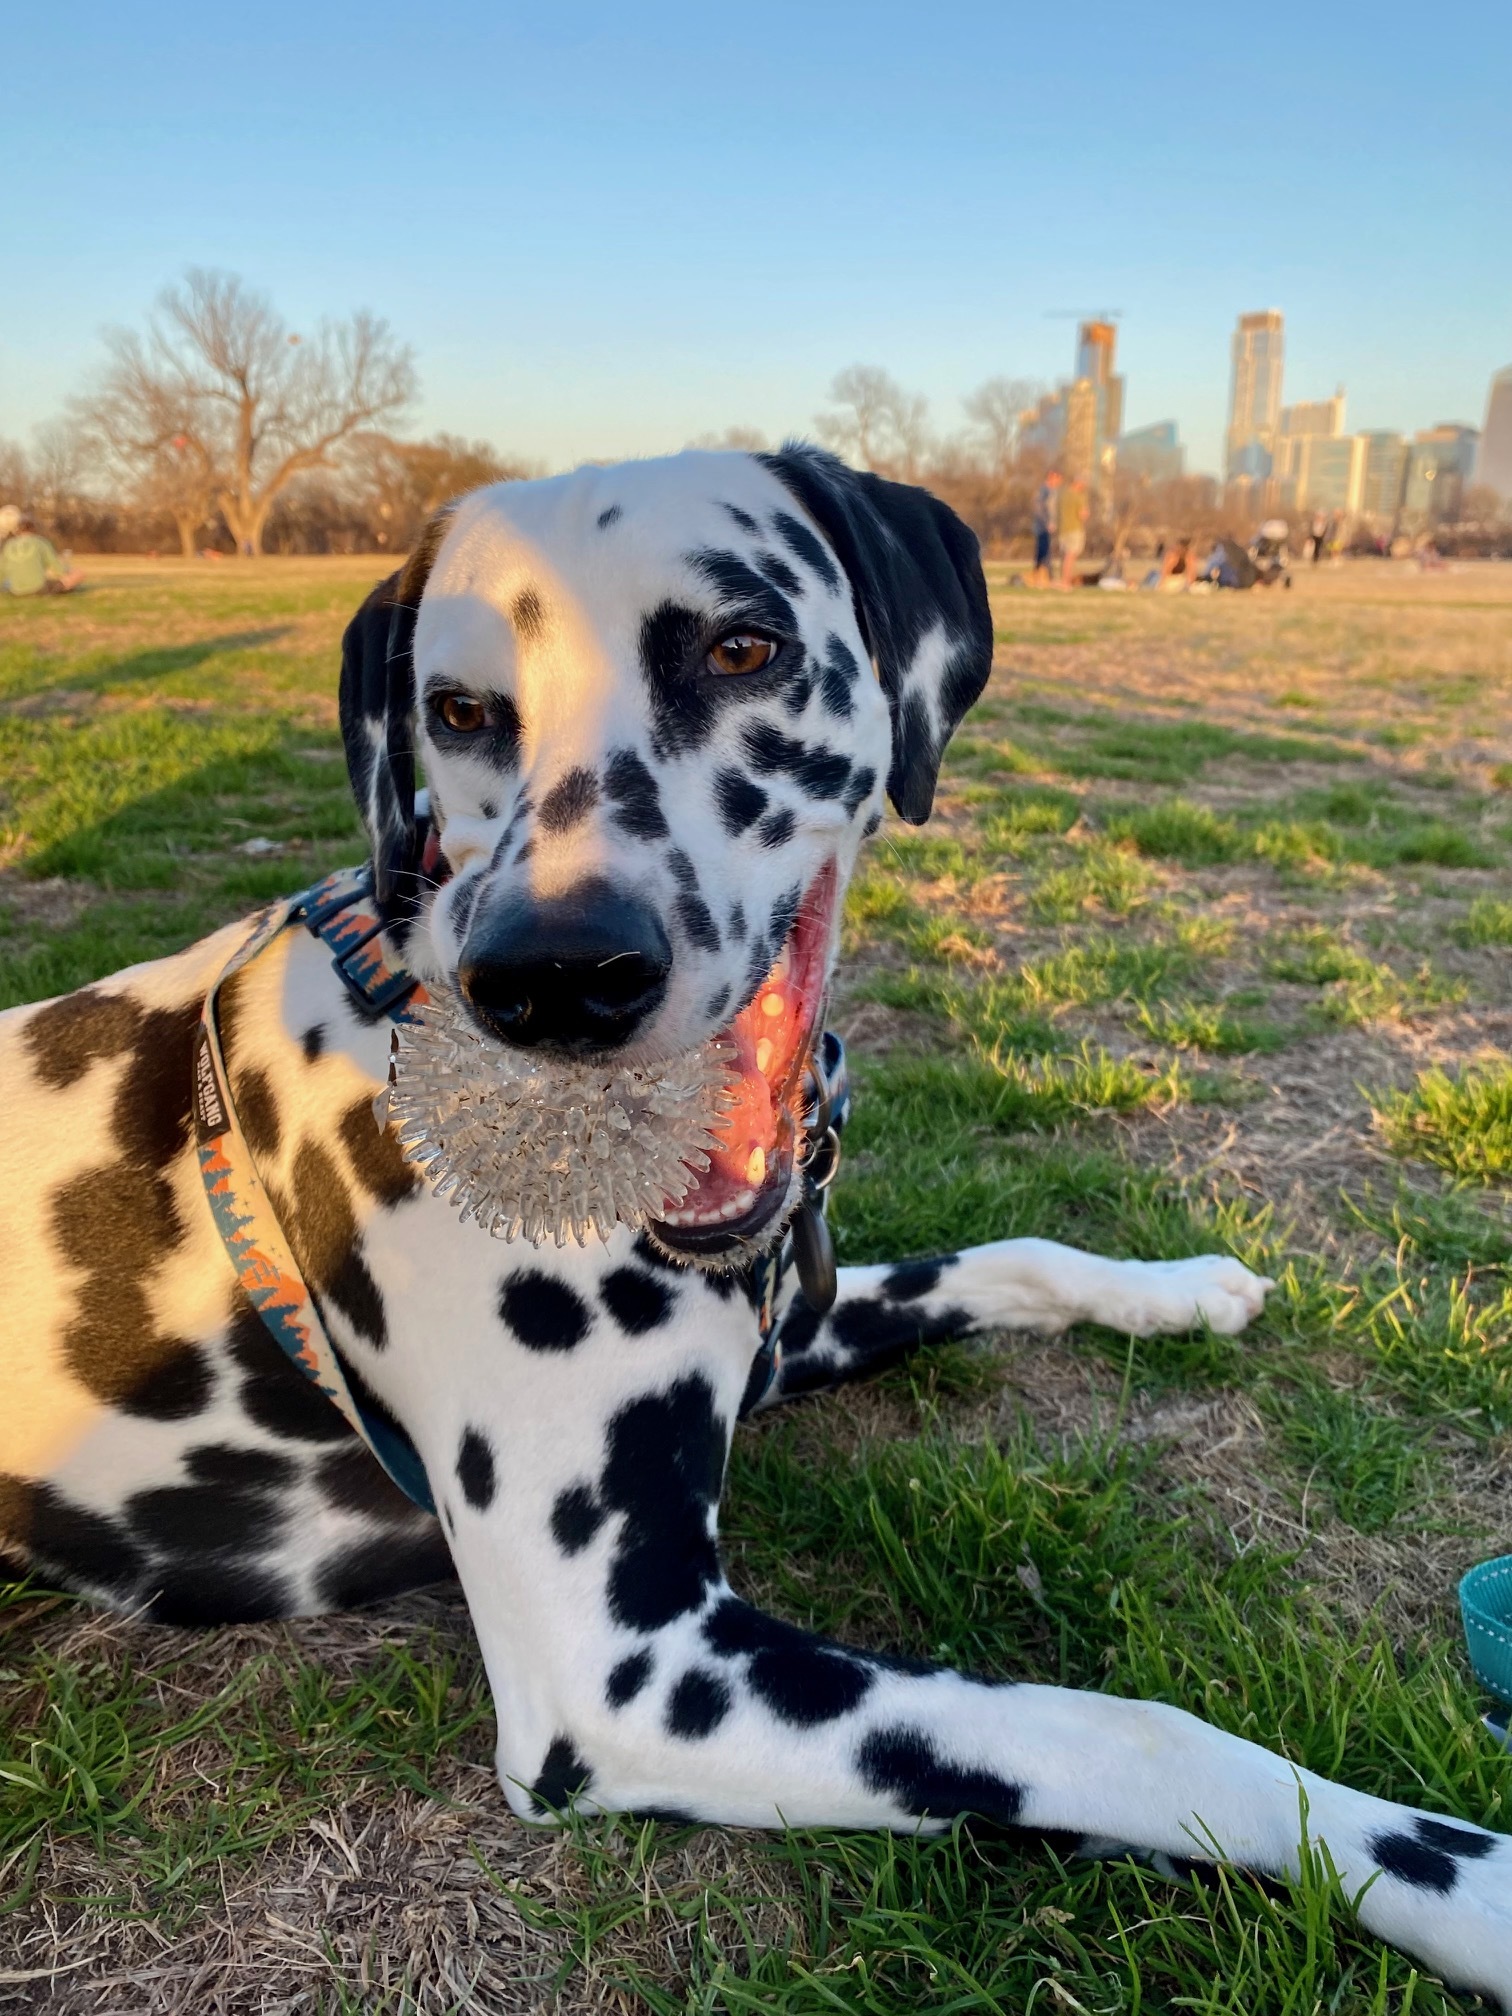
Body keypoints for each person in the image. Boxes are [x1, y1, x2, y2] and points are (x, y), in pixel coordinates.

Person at [0, 514, 82, 596]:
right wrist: (69, 571)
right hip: (37, 588)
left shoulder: (9, 545)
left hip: (15, 590)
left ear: (18, 530)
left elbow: (2, 570)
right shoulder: (41, 542)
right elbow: (57, 568)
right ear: (34, 528)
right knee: (78, 574)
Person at [1058, 475, 1088, 587]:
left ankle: (1064, 579)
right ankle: (1065, 581)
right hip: (1075, 529)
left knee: (1065, 555)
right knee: (1071, 556)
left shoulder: (1063, 494)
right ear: (1078, 483)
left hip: (1063, 529)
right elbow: (1082, 514)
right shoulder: (1078, 496)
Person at [1032, 469, 1061, 584]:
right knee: (1043, 552)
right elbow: (1039, 509)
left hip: (1048, 526)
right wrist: (1047, 522)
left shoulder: (1052, 491)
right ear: (1051, 477)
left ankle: (1043, 575)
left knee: (1045, 551)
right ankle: (1043, 575)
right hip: (1042, 527)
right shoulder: (1044, 491)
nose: (1058, 482)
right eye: (1057, 479)